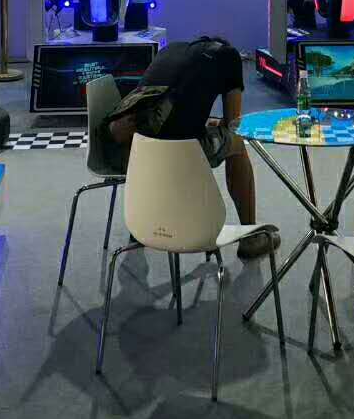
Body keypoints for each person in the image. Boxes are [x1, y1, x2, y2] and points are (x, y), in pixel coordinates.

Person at [101, 37, 278, 259]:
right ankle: (250, 239)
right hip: (177, 157)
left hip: (127, 154)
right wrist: (219, 125)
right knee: (236, 143)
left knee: (160, 137)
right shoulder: (229, 56)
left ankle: (140, 228)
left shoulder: (170, 50)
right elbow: (233, 123)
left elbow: (168, 108)